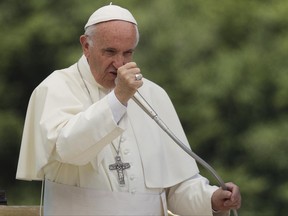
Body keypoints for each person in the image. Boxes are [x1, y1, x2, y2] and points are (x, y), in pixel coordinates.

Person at [16, 4, 241, 216]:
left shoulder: (153, 94)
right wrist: (118, 99)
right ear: (86, 45)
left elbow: (175, 189)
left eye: (128, 53)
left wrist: (210, 198)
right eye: (110, 52)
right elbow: (68, 148)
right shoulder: (55, 87)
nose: (119, 63)